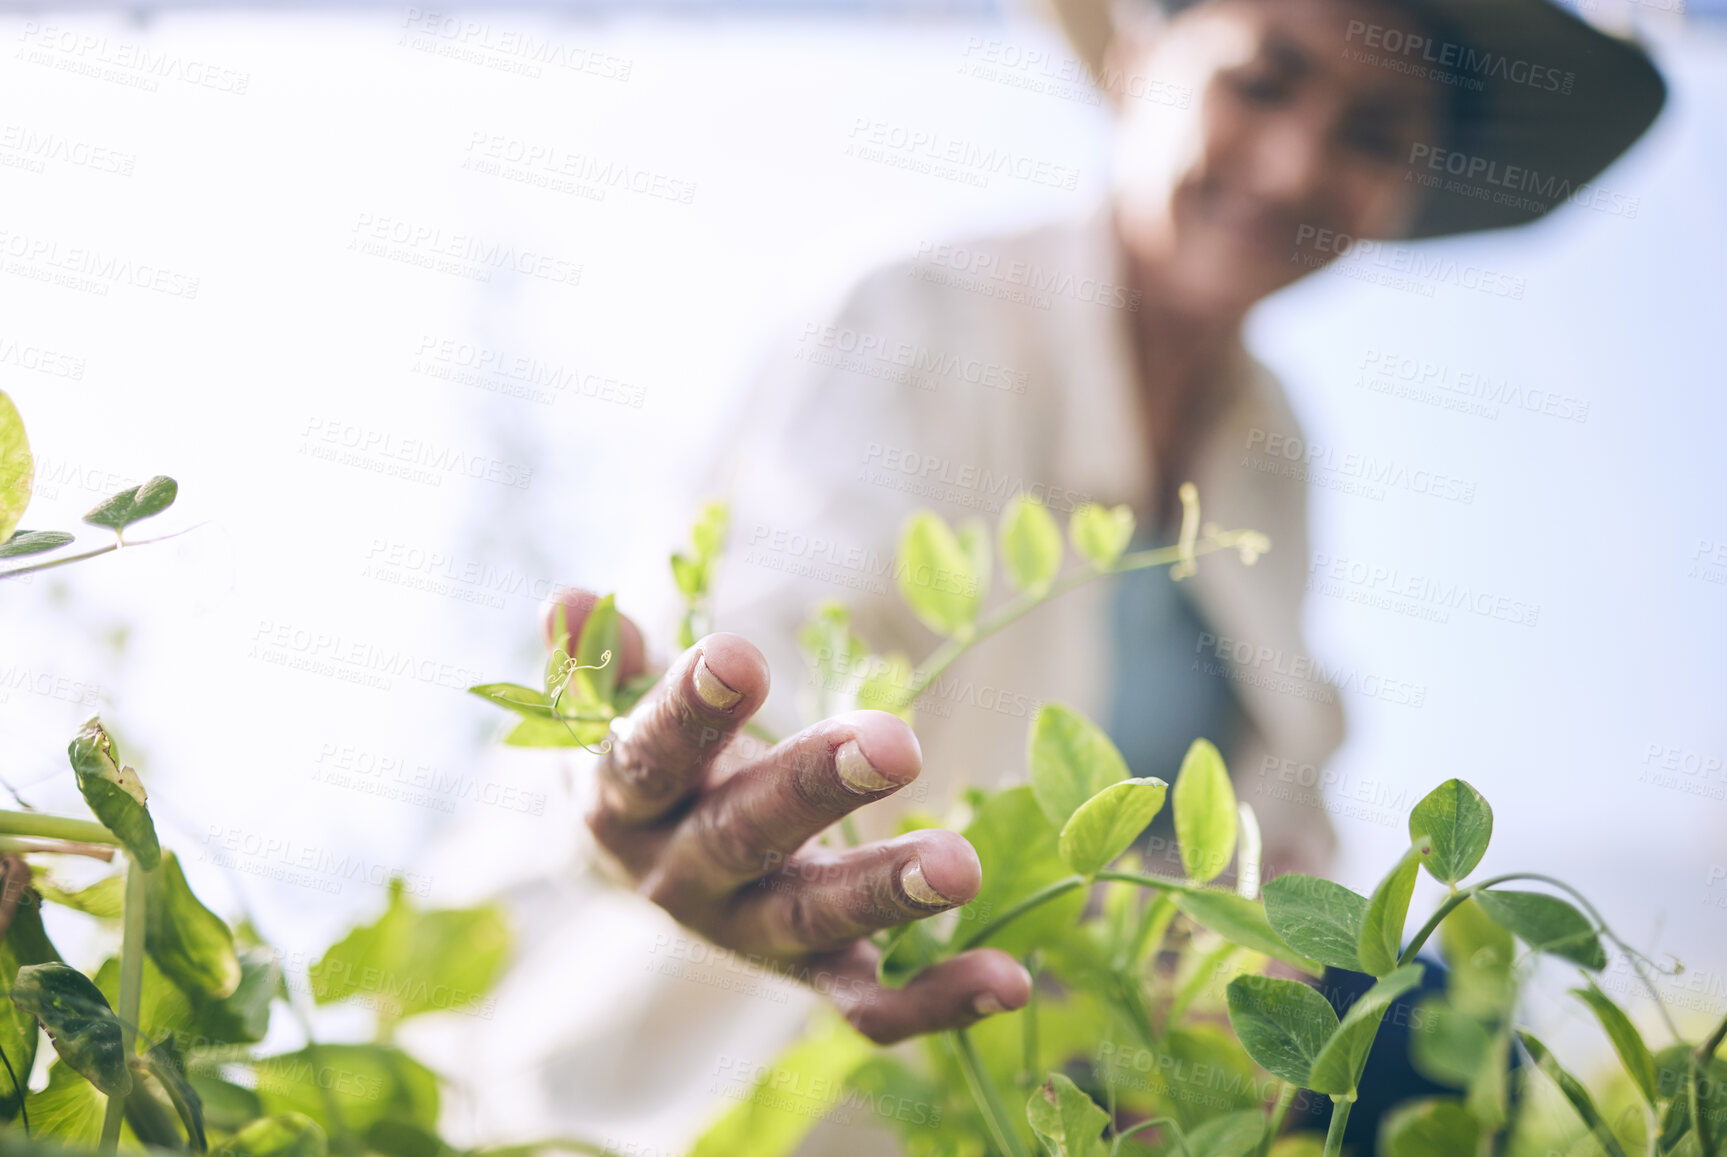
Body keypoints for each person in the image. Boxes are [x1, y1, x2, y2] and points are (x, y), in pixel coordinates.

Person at [495, 0, 1664, 1149]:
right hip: (781, 1076)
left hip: (1087, 1063)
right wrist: (720, 785)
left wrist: (1247, 946)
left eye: (1370, 132)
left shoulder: (1270, 446)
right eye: (1259, 81)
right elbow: (788, 630)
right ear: (1136, 59)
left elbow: (1275, 823)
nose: (1296, 161)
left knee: (1404, 1011)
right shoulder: (920, 314)